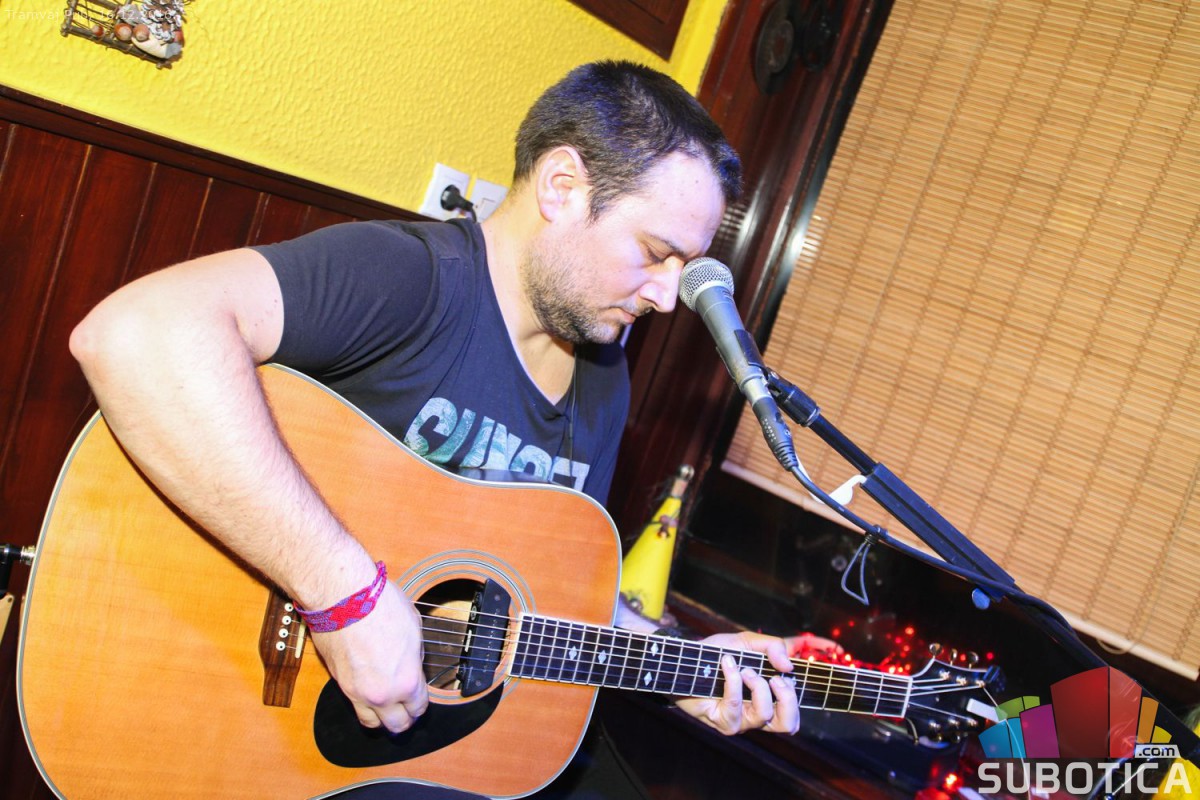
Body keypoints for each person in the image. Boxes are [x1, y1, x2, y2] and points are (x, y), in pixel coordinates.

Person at [69, 60, 801, 797]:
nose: (668, 298)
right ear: (561, 187)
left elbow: (553, 588)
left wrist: (680, 663)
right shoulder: (410, 277)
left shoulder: (603, 373)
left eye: (686, 266)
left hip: (405, 755)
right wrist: (343, 597)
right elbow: (135, 334)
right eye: (655, 252)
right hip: (224, 706)